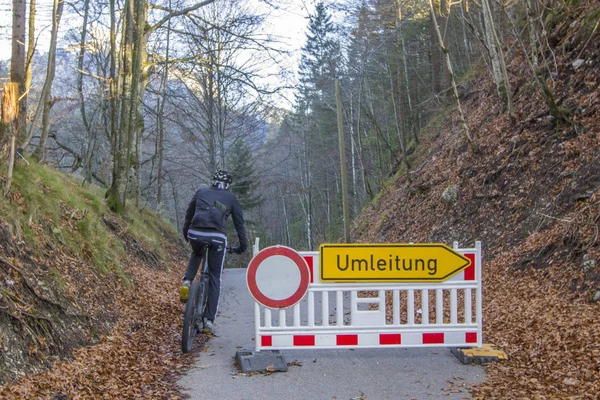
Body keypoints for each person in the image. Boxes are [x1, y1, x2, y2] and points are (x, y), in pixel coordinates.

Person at [181, 170, 248, 335]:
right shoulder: (231, 198)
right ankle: (208, 320)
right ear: (227, 185)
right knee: (214, 276)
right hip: (217, 237)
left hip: (195, 233)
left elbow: (189, 215)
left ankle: (187, 281)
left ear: (213, 181)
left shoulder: (201, 192)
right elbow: (240, 225)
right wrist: (242, 247)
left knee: (197, 253)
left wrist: (186, 233)